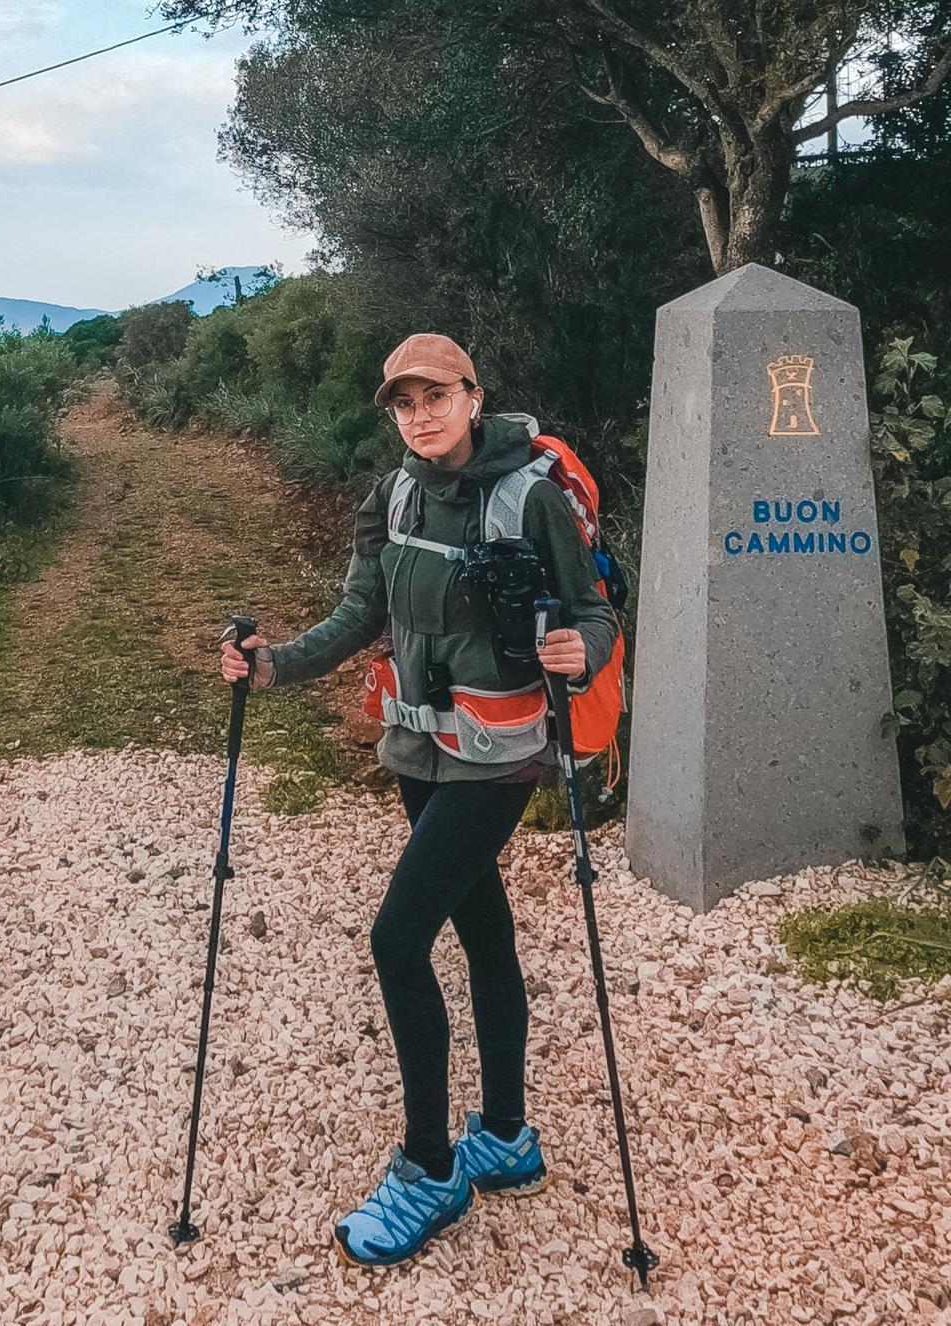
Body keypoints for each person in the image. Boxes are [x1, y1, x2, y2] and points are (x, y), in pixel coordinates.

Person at [218, 332, 618, 1267]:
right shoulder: (394, 493)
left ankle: (433, 1169)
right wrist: (271, 664)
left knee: (397, 937)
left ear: (474, 396)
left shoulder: (531, 498)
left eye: (435, 395)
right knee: (483, 931)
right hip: (418, 746)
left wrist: (582, 650)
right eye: (402, 402)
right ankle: (509, 1138)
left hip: (500, 755)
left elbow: (591, 612)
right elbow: (364, 613)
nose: (420, 414)